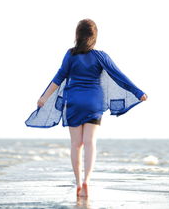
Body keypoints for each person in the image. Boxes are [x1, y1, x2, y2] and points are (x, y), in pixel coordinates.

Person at [28, 18, 148, 197]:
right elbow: (118, 75)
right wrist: (138, 92)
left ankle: (77, 182)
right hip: (93, 103)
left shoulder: (70, 55)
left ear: (78, 35)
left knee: (76, 145)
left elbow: (58, 77)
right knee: (90, 143)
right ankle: (87, 181)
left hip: (74, 102)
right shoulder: (100, 56)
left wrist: (43, 97)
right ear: (94, 36)